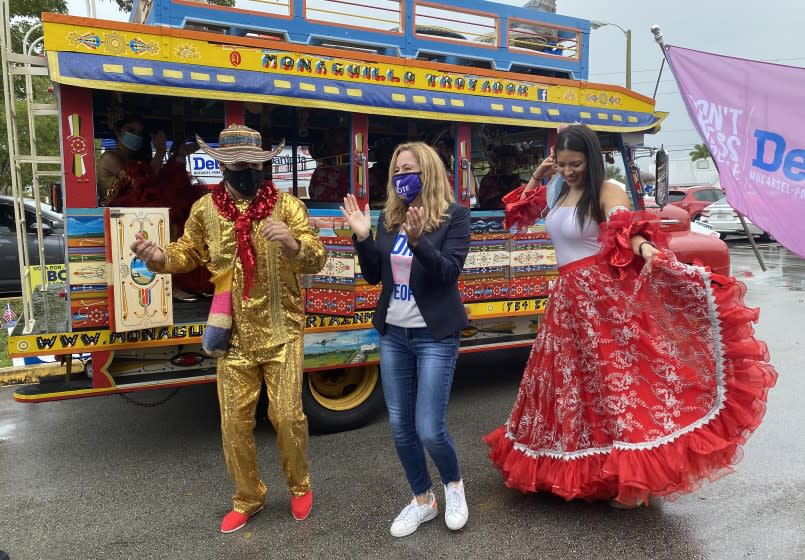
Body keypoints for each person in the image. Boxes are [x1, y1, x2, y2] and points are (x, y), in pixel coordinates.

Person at [485, 124, 777, 508]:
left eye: (577, 164)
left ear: (591, 158)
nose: (571, 171)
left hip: (599, 301)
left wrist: (647, 251)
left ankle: (634, 482)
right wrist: (541, 175)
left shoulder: (608, 191)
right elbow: (517, 214)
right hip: (566, 303)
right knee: (569, 391)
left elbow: (626, 231)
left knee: (615, 388)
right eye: (564, 163)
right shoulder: (558, 191)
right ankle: (579, 469)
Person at [130, 124, 326, 532]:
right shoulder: (205, 210)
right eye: (240, 166)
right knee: (234, 423)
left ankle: (300, 484)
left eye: (256, 166)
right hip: (231, 333)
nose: (249, 173)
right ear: (225, 167)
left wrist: (292, 244)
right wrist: (159, 257)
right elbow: (187, 253)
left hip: (281, 329)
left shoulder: (286, 207)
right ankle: (248, 496)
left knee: (288, 416)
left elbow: (316, 257)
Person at [340, 141, 471, 536]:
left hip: (434, 335)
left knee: (430, 427)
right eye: (396, 171)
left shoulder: (455, 217)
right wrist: (363, 237)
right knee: (401, 426)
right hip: (394, 334)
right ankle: (422, 499)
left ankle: (453, 486)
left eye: (409, 169)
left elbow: (449, 272)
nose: (401, 178)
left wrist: (419, 242)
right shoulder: (388, 217)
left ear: (427, 172)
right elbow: (373, 276)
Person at [99, 116, 208, 301]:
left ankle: (183, 278)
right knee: (171, 219)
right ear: (118, 132)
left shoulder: (133, 158)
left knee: (183, 214)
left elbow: (152, 179)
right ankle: (170, 285)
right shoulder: (111, 157)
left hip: (136, 207)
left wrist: (175, 155)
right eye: (131, 131)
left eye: (139, 133)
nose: (136, 136)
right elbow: (140, 183)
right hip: (120, 211)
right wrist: (160, 153)